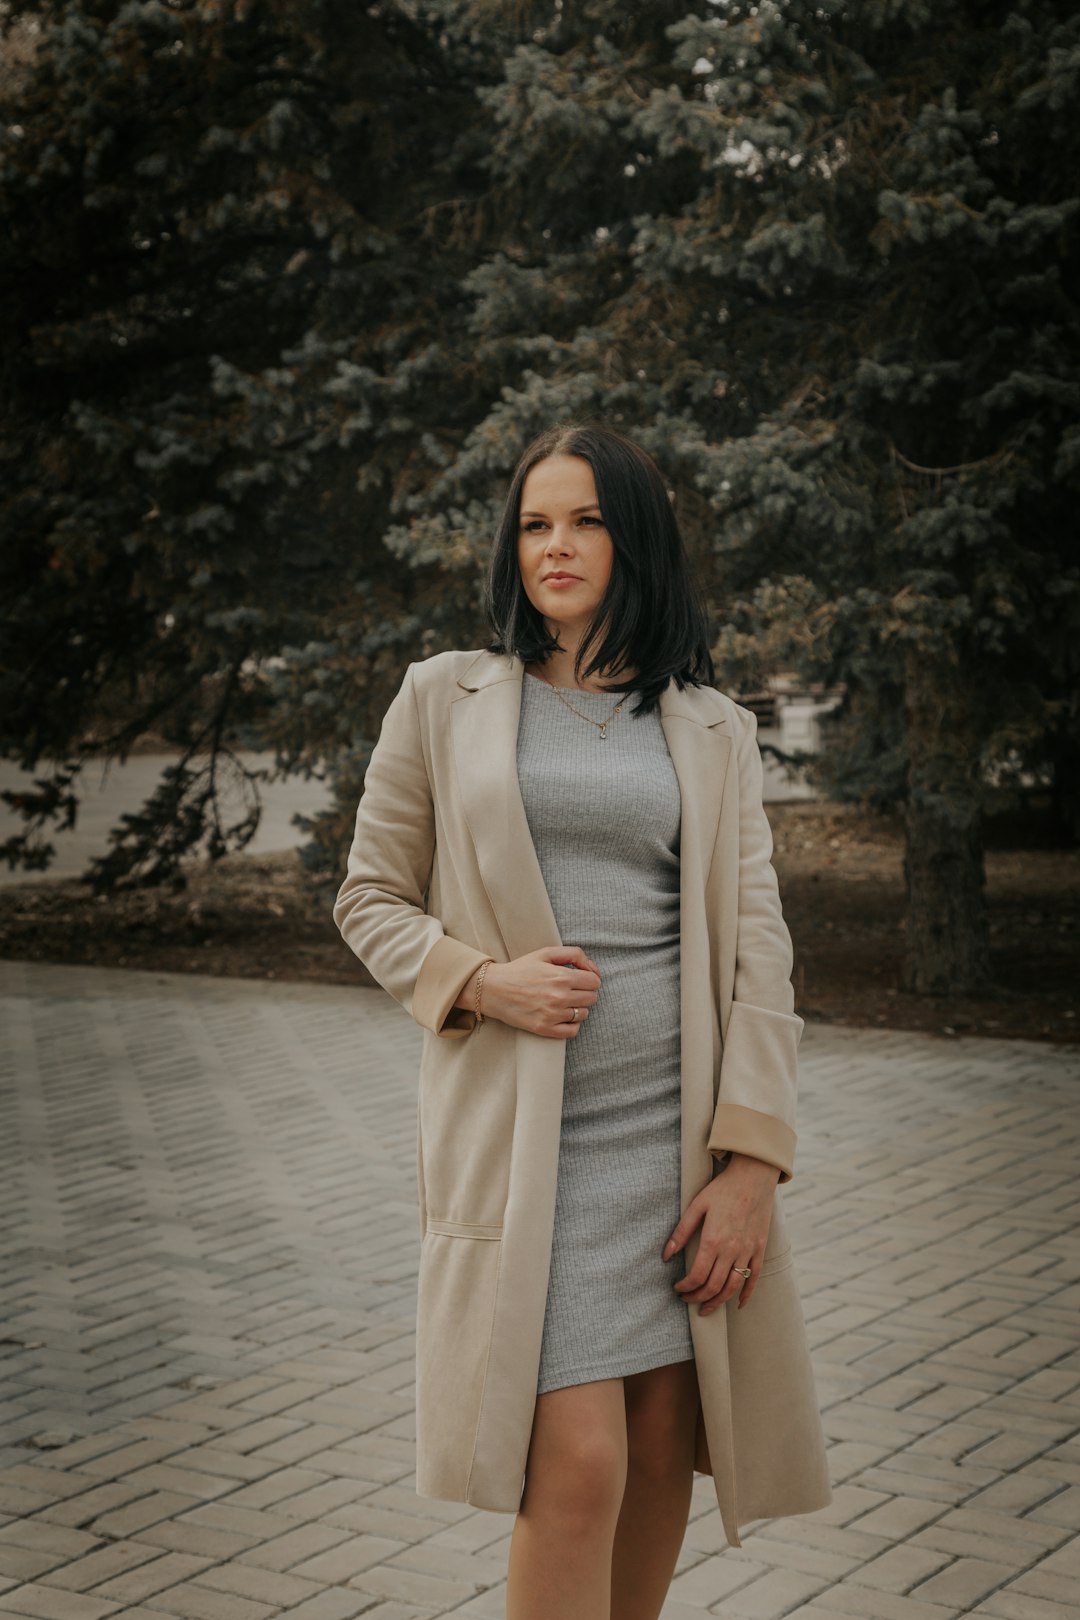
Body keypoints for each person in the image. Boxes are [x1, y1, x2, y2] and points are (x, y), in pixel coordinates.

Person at [334, 422, 831, 1620]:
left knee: (659, 1455)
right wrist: (478, 980)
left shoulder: (711, 725)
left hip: (674, 1150)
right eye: (535, 523)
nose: (556, 545)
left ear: (636, 539)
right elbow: (366, 896)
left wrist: (753, 1159)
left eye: (588, 519)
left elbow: (760, 951)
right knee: (579, 1466)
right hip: (525, 1153)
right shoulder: (443, 697)